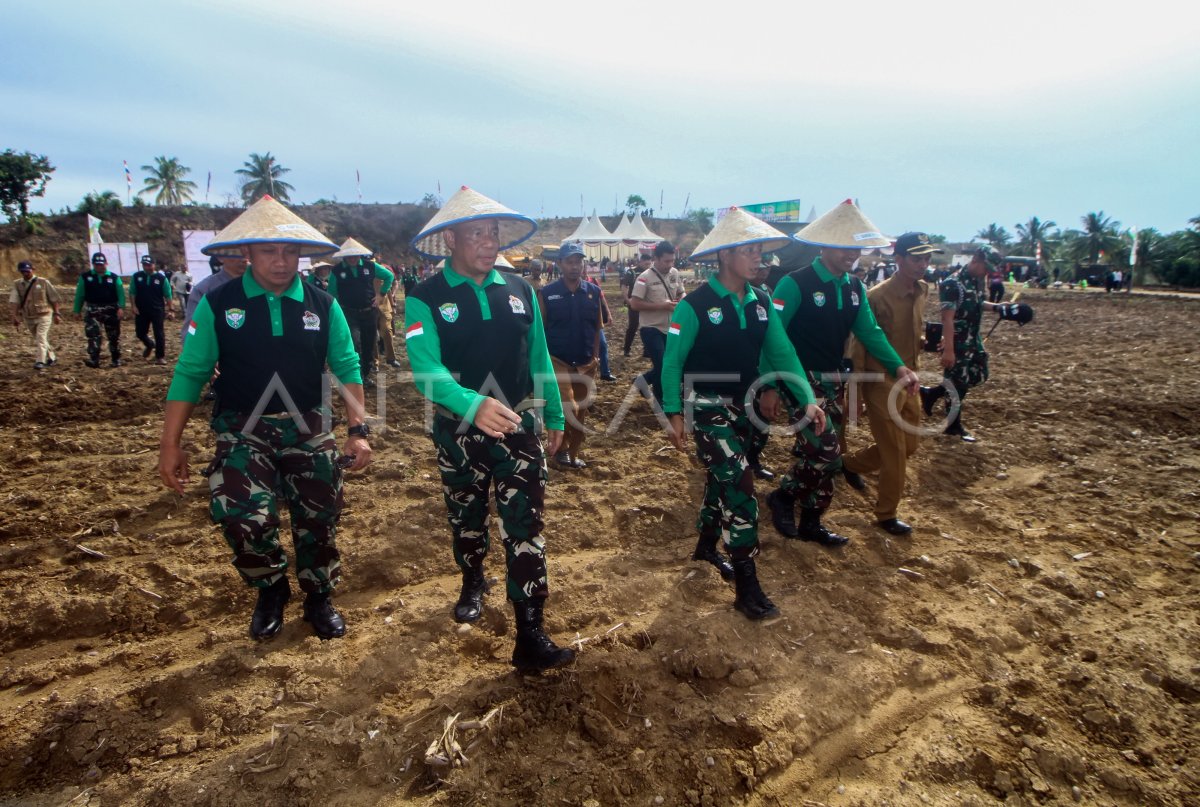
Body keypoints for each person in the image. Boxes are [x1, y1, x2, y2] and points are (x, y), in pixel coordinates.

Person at [158, 195, 371, 642]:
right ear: (247, 253)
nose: (281, 261)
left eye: (290, 251)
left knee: (319, 518)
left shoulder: (322, 304)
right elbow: (192, 372)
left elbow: (347, 366)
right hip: (241, 428)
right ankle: (271, 589)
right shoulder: (218, 304)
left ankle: (318, 596)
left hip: (309, 426)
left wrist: (358, 431)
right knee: (241, 517)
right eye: (270, 251)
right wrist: (170, 444)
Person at [404, 185, 574, 673]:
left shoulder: (520, 290)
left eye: (493, 232)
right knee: (467, 517)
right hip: (458, 430)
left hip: (520, 425)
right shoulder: (425, 298)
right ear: (451, 240)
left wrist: (556, 413)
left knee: (526, 525)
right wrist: (471, 403)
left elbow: (539, 355)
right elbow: (424, 369)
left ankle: (530, 633)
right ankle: (472, 578)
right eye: (476, 232)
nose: (488, 241)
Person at [662, 208, 826, 619]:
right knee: (740, 482)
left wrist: (805, 396)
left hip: (746, 409)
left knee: (723, 483)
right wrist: (673, 412)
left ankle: (705, 546)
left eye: (760, 251)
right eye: (750, 251)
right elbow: (671, 363)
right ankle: (747, 584)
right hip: (706, 409)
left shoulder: (761, 303)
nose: (759, 259)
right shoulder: (694, 306)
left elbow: (782, 352)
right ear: (726, 255)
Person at [766, 200, 920, 547]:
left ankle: (811, 520)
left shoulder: (853, 288)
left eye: (857, 247)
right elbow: (771, 339)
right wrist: (770, 386)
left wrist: (899, 367)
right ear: (825, 245)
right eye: (846, 247)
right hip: (798, 380)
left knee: (823, 456)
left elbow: (870, 333)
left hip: (833, 381)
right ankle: (784, 497)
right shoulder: (795, 284)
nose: (853, 253)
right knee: (826, 453)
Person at [843, 233, 938, 536]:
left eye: (927, 258)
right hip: (880, 380)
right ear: (898, 259)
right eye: (916, 258)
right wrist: (855, 391)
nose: (923, 264)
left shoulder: (922, 290)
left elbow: (914, 332)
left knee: (910, 444)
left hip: (910, 378)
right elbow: (858, 347)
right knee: (895, 450)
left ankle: (848, 464)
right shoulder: (877, 296)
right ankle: (886, 514)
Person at [919, 245, 1005, 442]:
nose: (986, 273)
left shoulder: (976, 281)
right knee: (957, 382)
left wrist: (999, 308)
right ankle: (952, 425)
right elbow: (947, 318)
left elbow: (978, 302)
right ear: (976, 259)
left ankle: (932, 393)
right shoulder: (952, 283)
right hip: (956, 340)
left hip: (973, 339)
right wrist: (948, 350)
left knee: (979, 373)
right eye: (986, 267)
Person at [538, 242, 603, 469]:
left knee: (581, 410)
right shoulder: (547, 294)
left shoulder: (593, 292)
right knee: (568, 405)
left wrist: (596, 357)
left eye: (579, 261)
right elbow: (540, 330)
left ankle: (572, 454)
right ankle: (561, 449)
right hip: (557, 361)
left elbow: (597, 328)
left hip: (585, 363)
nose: (575, 266)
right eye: (570, 262)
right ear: (559, 264)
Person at [327, 238, 394, 388]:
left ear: (360, 254)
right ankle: (355, 377)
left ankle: (366, 375)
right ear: (344, 256)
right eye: (349, 256)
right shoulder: (337, 271)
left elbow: (389, 276)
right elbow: (331, 293)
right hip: (348, 313)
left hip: (369, 312)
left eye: (355, 255)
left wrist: (381, 294)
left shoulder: (370, 266)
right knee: (355, 343)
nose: (352, 258)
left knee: (369, 344)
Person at [629, 241, 684, 404]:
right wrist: (663, 305)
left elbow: (682, 292)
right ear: (656, 259)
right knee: (662, 365)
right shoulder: (644, 278)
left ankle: (642, 381)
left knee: (671, 364)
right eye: (666, 261)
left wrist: (681, 300)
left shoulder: (675, 273)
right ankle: (660, 398)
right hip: (651, 328)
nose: (670, 264)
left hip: (672, 328)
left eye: (672, 260)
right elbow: (634, 304)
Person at [73, 252, 126, 368]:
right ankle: (94, 359)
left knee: (113, 336)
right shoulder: (85, 277)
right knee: (93, 335)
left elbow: (121, 294)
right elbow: (80, 295)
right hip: (93, 309)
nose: (99, 267)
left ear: (106, 263)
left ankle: (116, 358)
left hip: (111, 309)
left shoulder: (114, 277)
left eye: (102, 264)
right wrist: (77, 310)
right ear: (93, 264)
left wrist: (121, 307)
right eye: (97, 264)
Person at [181, 254, 248, 345]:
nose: (245, 259)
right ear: (221, 257)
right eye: (237, 253)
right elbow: (192, 333)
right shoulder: (205, 290)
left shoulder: (265, 285)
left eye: (248, 252)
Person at [10, 259, 62, 369]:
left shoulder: (43, 282)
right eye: (23, 271)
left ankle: (40, 361)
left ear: (32, 270)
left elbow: (54, 298)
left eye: (27, 271)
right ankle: (52, 357)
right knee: (40, 339)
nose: (25, 273)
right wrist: (15, 316)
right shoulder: (17, 284)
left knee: (40, 337)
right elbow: (14, 301)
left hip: (44, 314)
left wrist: (57, 314)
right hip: (29, 316)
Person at [131, 254, 174, 364]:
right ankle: (150, 344)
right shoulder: (137, 276)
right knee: (140, 332)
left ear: (154, 265)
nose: (147, 267)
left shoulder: (161, 278)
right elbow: (132, 292)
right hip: (141, 309)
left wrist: (171, 309)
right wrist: (133, 306)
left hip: (157, 309)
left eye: (149, 265)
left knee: (159, 333)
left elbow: (168, 295)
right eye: (144, 265)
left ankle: (160, 356)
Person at [620, 253, 647, 356]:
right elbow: (624, 285)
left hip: (647, 304)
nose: (647, 265)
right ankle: (627, 349)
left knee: (647, 327)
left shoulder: (652, 273)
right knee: (633, 326)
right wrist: (627, 300)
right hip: (634, 303)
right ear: (640, 262)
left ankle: (646, 351)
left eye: (649, 263)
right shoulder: (632, 272)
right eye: (645, 263)